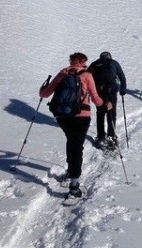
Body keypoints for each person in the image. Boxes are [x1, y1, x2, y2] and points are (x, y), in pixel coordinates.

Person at [39, 52, 108, 198]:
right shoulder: (86, 75)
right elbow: (95, 98)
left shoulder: (63, 73)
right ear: (83, 61)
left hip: (62, 116)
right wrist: (105, 105)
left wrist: (43, 87)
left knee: (72, 142)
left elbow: (45, 94)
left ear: (71, 61)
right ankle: (74, 187)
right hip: (81, 116)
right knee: (77, 146)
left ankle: (70, 172)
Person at [88, 51, 127, 149]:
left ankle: (101, 136)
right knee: (111, 113)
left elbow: (87, 77)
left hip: (98, 91)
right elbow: (122, 77)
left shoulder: (94, 64)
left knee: (100, 113)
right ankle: (111, 136)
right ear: (109, 56)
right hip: (111, 91)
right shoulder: (113, 63)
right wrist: (123, 90)